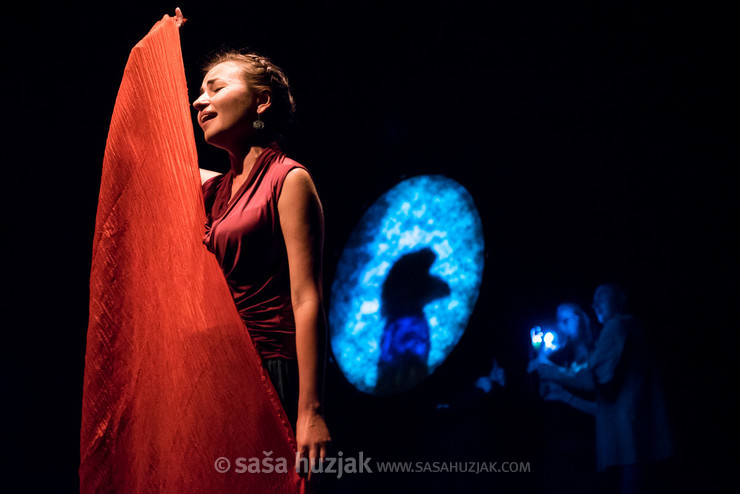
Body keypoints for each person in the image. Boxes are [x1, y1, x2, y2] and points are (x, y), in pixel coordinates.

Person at [184, 10, 332, 477]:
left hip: (272, 370)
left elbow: (307, 298)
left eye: (215, 87)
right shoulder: (213, 189)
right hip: (220, 372)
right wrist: (154, 55)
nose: (198, 100)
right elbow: (152, 154)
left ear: (261, 101)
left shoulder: (289, 179)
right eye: (199, 90)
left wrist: (311, 410)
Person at [534, 284, 674, 494]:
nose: (595, 304)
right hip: (614, 437)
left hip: (610, 440)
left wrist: (555, 377)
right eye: (558, 320)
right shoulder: (628, 329)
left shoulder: (616, 329)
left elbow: (594, 381)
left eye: (602, 297)